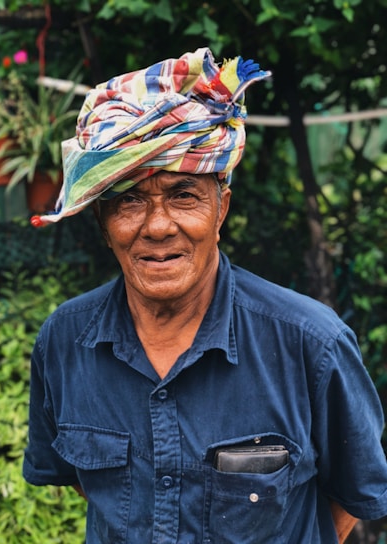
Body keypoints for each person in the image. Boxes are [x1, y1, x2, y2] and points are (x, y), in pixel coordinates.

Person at [23, 48, 387, 543]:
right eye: (129, 200)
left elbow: (348, 503)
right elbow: (86, 487)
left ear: (221, 210)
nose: (157, 226)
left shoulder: (311, 345)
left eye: (184, 195)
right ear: (103, 225)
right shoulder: (65, 340)